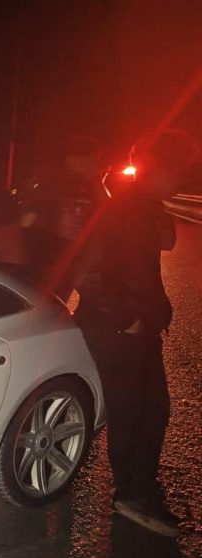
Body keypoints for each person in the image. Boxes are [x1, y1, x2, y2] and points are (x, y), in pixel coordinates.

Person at [72, 128, 200, 537]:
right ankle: (134, 493)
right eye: (178, 167)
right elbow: (85, 272)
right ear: (156, 166)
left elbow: (166, 242)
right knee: (135, 412)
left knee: (151, 410)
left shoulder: (144, 207)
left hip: (135, 325)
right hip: (120, 328)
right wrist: (127, 318)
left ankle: (138, 488)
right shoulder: (121, 209)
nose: (183, 175)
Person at [18, 135, 105, 300]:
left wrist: (96, 180)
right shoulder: (59, 184)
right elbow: (29, 217)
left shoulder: (88, 184)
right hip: (54, 255)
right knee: (52, 299)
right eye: (91, 159)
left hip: (69, 254)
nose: (94, 164)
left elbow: (108, 212)